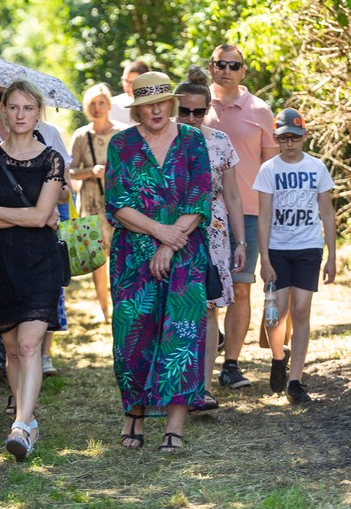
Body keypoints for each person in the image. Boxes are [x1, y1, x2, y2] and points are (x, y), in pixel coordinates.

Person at [105, 71, 211, 452]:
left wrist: (170, 242)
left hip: (185, 256)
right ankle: (132, 415)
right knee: (131, 336)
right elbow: (117, 204)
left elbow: (199, 199)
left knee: (181, 336)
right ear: (137, 109)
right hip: (133, 257)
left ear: (172, 103)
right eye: (147, 104)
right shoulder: (121, 144)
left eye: (161, 102)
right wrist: (159, 233)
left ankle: (174, 426)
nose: (156, 110)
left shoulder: (194, 140)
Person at [0, 79, 65, 461]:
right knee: (10, 347)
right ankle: (27, 419)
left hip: (41, 262)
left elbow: (43, 214)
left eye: (28, 108)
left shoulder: (52, 160)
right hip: (0, 263)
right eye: (14, 108)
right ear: (2, 112)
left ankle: (22, 424)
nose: (21, 115)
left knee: (29, 345)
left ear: (38, 112)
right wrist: (17, 217)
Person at [203, 43, 279, 389]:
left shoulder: (261, 111)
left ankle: (231, 364)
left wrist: (271, 214)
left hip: (248, 211)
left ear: (244, 71)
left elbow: (272, 168)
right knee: (206, 291)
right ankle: (204, 356)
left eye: (234, 65)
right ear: (211, 67)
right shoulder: (196, 107)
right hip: (202, 213)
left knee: (242, 289)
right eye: (221, 64)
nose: (227, 71)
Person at [174, 67, 247, 410]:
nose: (190, 117)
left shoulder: (220, 142)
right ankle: (174, 382)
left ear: (208, 110)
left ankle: (201, 389)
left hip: (214, 235)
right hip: (171, 233)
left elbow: (233, 196)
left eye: (198, 111)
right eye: (184, 111)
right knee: (173, 308)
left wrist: (241, 241)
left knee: (207, 310)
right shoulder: (162, 141)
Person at [254, 108, 336, 404]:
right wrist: (264, 259)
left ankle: (295, 381)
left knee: (301, 310)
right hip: (277, 249)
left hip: (308, 248)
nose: (289, 143)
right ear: (275, 138)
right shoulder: (269, 169)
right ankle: (279, 357)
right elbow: (263, 217)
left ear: (305, 137)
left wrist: (332, 256)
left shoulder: (317, 168)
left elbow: (327, 213)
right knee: (275, 316)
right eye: (283, 138)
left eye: (295, 138)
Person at [68, 83, 126, 322]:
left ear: (109, 105)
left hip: (117, 202)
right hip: (90, 202)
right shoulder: (82, 136)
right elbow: (69, 171)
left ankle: (120, 303)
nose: (97, 107)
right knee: (97, 258)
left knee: (120, 254)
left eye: (101, 102)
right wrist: (91, 171)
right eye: (92, 103)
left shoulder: (122, 133)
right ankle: (104, 310)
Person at [108, 60, 150, 125]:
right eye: (125, 81)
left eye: (132, 82)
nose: (128, 85)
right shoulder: (112, 105)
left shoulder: (157, 105)